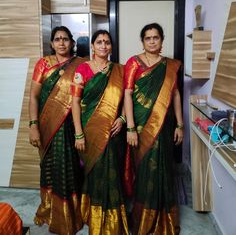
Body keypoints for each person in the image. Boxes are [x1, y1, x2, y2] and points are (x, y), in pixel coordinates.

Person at [124, 23, 184, 235]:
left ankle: (162, 218)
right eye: (148, 38)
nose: (152, 41)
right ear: (143, 41)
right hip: (141, 128)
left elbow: (175, 94)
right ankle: (143, 219)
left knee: (164, 170)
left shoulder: (170, 65)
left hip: (165, 127)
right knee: (144, 171)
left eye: (155, 37)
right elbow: (128, 94)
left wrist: (180, 124)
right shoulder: (134, 63)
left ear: (161, 40)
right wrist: (130, 127)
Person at [71, 29, 129, 235]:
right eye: (99, 42)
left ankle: (113, 219)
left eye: (107, 42)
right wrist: (78, 133)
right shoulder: (82, 70)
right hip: (90, 129)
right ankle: (94, 215)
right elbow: (75, 103)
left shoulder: (119, 71)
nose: (103, 45)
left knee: (113, 172)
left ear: (111, 46)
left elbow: (126, 99)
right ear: (93, 46)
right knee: (94, 172)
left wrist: (123, 119)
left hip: (114, 131)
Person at [29, 26, 84, 235]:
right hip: (47, 126)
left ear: (71, 43)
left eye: (65, 39)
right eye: (57, 39)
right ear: (52, 43)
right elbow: (34, 96)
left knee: (72, 168)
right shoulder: (43, 64)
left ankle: (72, 212)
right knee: (50, 168)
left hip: (72, 126)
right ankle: (51, 210)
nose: (61, 43)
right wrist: (33, 126)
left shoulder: (80, 65)